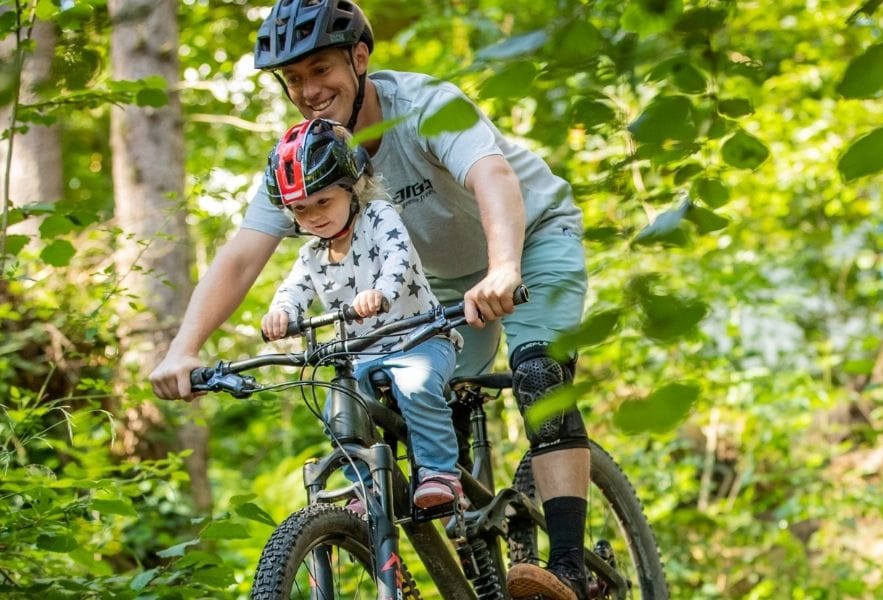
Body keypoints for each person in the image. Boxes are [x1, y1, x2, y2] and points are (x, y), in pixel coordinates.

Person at [150, 1, 591, 598]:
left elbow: (495, 177)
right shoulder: (303, 156)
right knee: (404, 391)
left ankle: (569, 568)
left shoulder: (425, 106)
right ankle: (477, 540)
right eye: (293, 79)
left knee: (538, 375)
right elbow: (240, 257)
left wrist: (505, 268)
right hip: (430, 281)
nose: (308, 90)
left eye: (321, 69)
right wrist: (184, 348)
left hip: (529, 240)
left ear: (359, 59)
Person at [260, 118, 464, 510]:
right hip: (363, 355)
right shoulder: (311, 254)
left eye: (324, 201)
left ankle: (440, 473)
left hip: (419, 338)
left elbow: (398, 259)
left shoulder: (378, 217)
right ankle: (367, 485)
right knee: (339, 407)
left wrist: (381, 293)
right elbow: (293, 289)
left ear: (354, 189)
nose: (315, 216)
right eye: (301, 210)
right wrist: (281, 312)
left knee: (417, 385)